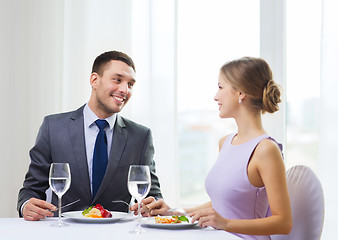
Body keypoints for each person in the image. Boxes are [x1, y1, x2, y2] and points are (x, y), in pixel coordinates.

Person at [134, 57, 292, 240]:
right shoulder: (225, 142)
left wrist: (225, 223)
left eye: (220, 87)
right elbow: (223, 203)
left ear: (240, 92)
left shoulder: (265, 149)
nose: (216, 96)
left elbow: (284, 223)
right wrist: (173, 212)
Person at [17, 50, 162, 221]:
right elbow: (31, 188)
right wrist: (26, 205)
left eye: (130, 84)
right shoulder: (53, 127)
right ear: (94, 80)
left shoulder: (141, 136)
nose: (124, 90)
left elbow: (153, 196)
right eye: (117, 80)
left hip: (116, 233)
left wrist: (155, 206)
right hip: (63, 232)